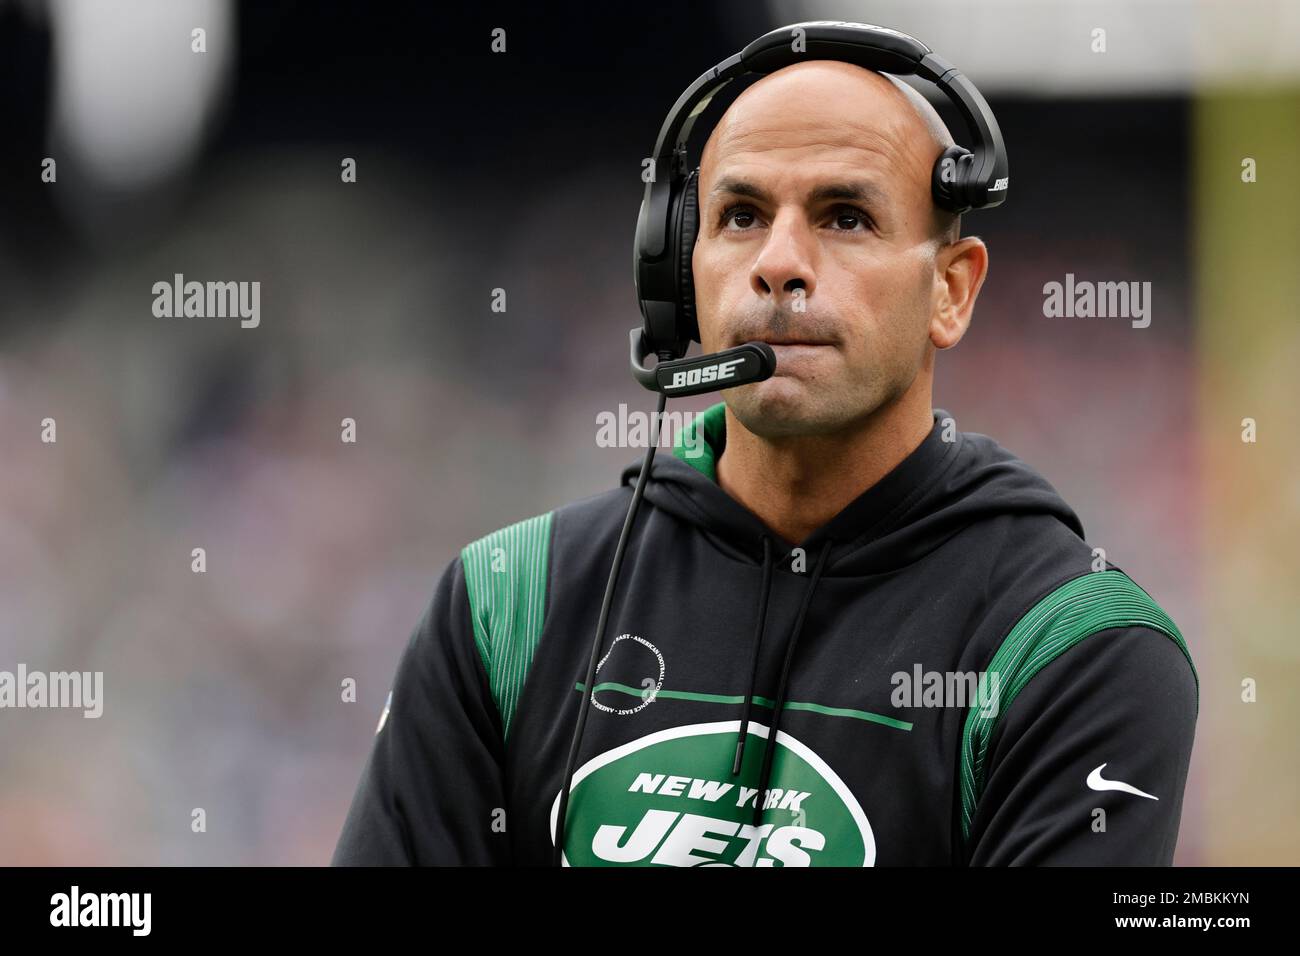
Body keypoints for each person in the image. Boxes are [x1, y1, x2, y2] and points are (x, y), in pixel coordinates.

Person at [332, 45, 1197, 868]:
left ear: (952, 288)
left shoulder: (1078, 650)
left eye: (845, 217)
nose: (780, 264)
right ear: (681, 279)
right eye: (742, 216)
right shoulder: (502, 605)